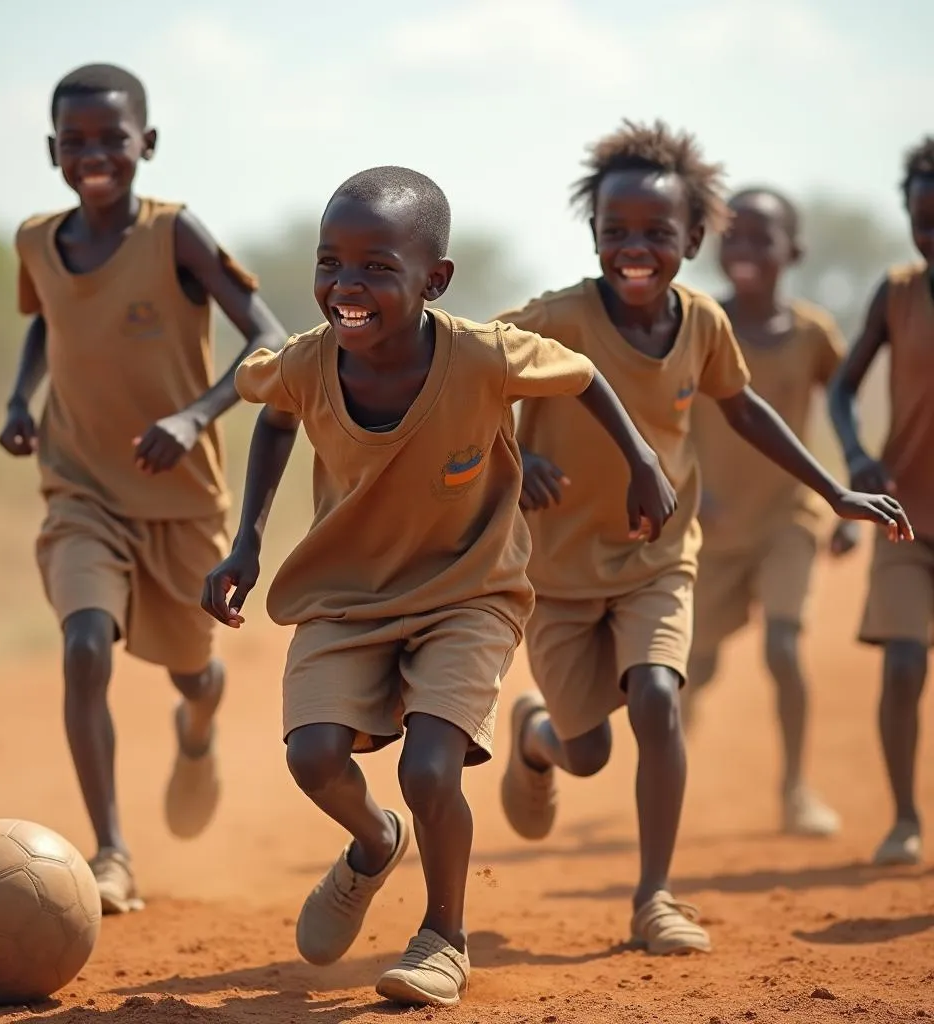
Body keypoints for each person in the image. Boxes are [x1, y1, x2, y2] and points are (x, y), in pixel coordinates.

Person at [202, 165, 677, 1006]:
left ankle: (443, 938)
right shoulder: (310, 361)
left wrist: (642, 460)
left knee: (430, 768)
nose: (347, 286)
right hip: (347, 596)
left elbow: (582, 376)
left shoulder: (483, 354)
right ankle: (373, 843)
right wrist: (245, 542)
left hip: (470, 590)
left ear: (435, 279)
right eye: (331, 264)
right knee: (313, 757)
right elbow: (275, 415)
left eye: (378, 268)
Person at [496, 120, 913, 957]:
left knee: (657, 693)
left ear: (692, 238)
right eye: (617, 233)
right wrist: (515, 458)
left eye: (657, 233)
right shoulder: (561, 318)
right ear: (595, 237)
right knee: (588, 752)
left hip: (658, 554)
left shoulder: (701, 323)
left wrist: (832, 490)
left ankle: (655, 896)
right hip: (563, 571)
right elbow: (465, 371)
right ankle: (537, 737)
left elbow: (744, 406)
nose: (635, 248)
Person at [0, 63, 288, 913]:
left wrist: (196, 416)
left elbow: (267, 337)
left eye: (112, 140)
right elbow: (47, 320)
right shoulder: (35, 240)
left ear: (146, 145)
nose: (95, 155)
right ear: (54, 150)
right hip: (81, 490)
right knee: (85, 644)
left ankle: (199, 723)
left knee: (192, 671)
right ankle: (112, 853)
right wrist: (22, 398)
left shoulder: (175, 235)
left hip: (184, 499)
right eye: (76, 141)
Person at [683, 187, 856, 838]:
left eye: (763, 238)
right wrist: (689, 487)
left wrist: (849, 490)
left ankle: (795, 790)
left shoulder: (812, 332)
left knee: (784, 648)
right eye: (735, 237)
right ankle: (677, 740)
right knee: (692, 665)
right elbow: (662, 416)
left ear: (795, 251)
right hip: (713, 527)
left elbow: (843, 411)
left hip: (790, 516)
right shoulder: (700, 324)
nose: (746, 250)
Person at [828, 135, 934, 867]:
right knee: (903, 663)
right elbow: (842, 386)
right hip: (908, 516)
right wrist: (859, 457)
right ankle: (903, 819)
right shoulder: (897, 293)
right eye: (924, 221)